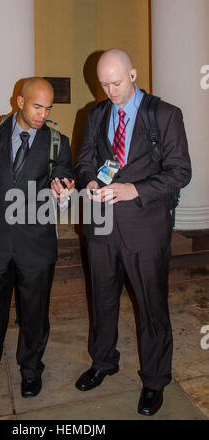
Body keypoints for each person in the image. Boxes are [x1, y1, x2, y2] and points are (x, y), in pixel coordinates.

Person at [74, 49, 191, 416]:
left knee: (151, 306)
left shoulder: (164, 114)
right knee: (102, 299)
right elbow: (83, 162)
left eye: (117, 82)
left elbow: (179, 171)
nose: (110, 90)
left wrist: (135, 189)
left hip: (146, 227)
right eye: (103, 84)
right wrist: (90, 181)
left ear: (134, 74)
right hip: (101, 225)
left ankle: (155, 380)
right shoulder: (94, 115)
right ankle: (103, 361)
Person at [0, 77, 74, 398]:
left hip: (36, 243)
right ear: (19, 102)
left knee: (35, 311)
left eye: (48, 108)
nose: (43, 114)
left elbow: (63, 176)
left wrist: (62, 189)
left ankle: (31, 368)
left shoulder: (57, 141)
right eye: (37, 106)